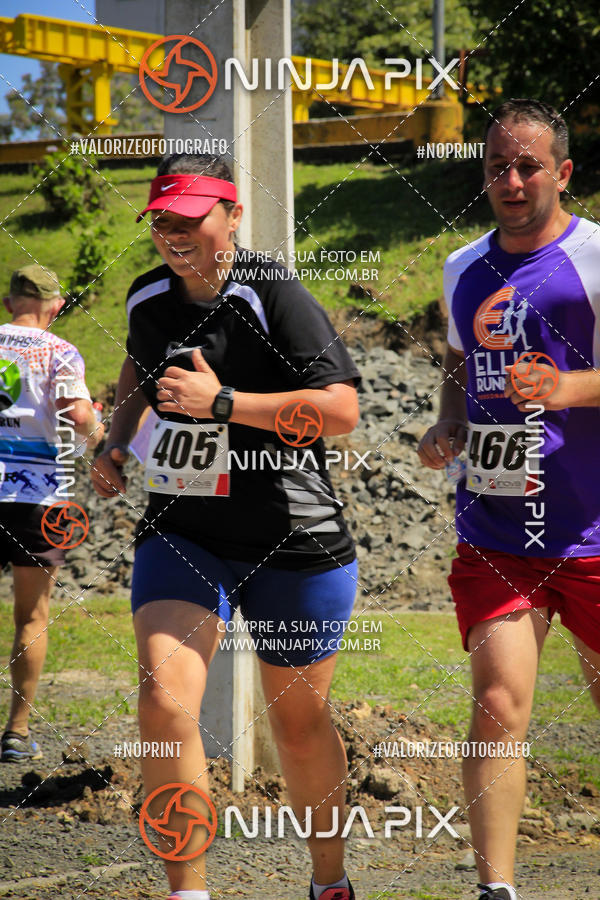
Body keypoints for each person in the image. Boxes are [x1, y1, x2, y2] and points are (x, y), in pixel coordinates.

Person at [90, 153, 360, 900]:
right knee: (163, 700)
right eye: (162, 221)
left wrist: (223, 403)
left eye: (191, 218)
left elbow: (340, 411)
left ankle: (329, 882)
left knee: (299, 727)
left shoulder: (272, 293)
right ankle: (190, 893)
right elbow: (138, 371)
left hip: (292, 540)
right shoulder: (146, 296)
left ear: (233, 216)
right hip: (185, 530)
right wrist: (117, 438)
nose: (174, 235)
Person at [417, 98, 600, 900]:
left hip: (594, 529)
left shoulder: (596, 256)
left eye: (528, 166)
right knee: (496, 703)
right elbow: (458, 367)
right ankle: (496, 889)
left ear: (562, 171)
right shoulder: (462, 267)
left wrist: (567, 387)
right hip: (498, 529)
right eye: (498, 166)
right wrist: (448, 424)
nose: (512, 180)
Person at [0, 264, 103, 761]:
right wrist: (106, 440)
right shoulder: (60, 351)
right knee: (31, 615)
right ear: (56, 307)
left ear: (8, 303)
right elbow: (77, 415)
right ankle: (17, 734)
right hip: (37, 497)